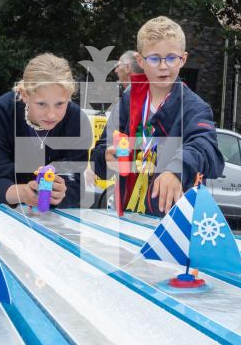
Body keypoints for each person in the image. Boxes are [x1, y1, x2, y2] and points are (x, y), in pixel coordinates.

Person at [91, 16, 224, 217]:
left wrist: (177, 170)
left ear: (183, 59)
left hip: (173, 221)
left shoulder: (196, 107)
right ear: (140, 61)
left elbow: (207, 150)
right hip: (127, 215)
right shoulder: (129, 100)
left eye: (171, 58)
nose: (163, 66)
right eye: (154, 58)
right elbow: (100, 153)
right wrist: (106, 157)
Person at [0, 53, 93, 209]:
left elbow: (75, 181)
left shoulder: (77, 121)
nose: (51, 114)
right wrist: (23, 193)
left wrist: (61, 192)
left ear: (69, 96)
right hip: (2, 210)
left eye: (60, 104)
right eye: (42, 104)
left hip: (54, 215)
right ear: (25, 95)